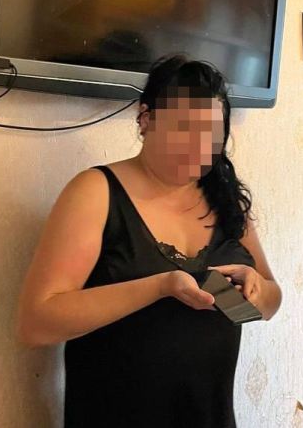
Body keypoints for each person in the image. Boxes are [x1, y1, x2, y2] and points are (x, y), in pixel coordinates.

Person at [17, 55, 281, 428]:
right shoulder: (95, 192)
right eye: (184, 128)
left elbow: (270, 302)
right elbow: (35, 323)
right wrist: (160, 287)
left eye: (211, 133)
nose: (198, 145)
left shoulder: (225, 200)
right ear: (146, 119)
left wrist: (254, 291)